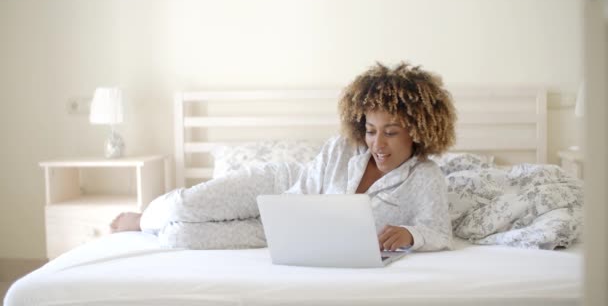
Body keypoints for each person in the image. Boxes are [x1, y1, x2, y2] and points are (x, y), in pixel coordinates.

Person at [111, 61, 457, 252]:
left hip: (296, 236)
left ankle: (155, 227)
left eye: (391, 132)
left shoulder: (425, 178)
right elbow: (300, 192)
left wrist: (412, 235)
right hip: (280, 190)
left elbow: (440, 232)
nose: (377, 143)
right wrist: (285, 216)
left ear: (418, 130)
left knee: (180, 237)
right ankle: (142, 220)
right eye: (370, 130)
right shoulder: (342, 149)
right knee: (184, 207)